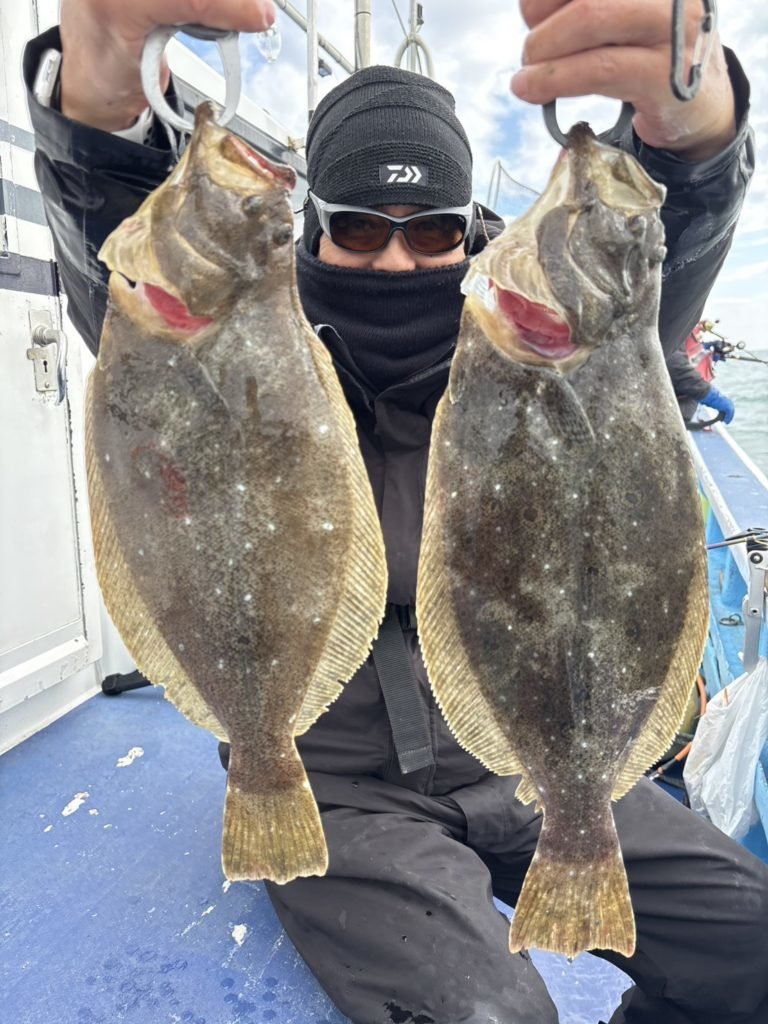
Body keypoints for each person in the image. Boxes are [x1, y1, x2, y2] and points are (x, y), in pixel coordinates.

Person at [23, 2, 768, 1021]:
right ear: (313, 228)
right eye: (361, 227)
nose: (396, 258)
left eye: (433, 231)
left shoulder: (545, 338)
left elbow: (649, 268)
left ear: (468, 231)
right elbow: (119, 240)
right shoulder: (252, 328)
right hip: (340, 777)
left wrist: (696, 129)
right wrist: (101, 103)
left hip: (523, 751)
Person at [667, 322, 736, 426]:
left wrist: (708, 351)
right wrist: (710, 396)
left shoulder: (677, 326)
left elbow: (680, 352)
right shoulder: (673, 323)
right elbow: (675, 365)